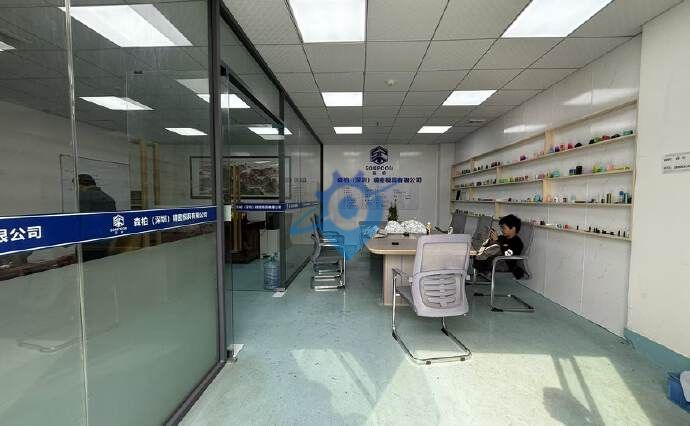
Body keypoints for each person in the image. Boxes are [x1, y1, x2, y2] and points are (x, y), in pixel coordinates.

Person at [473, 214, 525, 279]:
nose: (502, 230)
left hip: (505, 264)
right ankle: (482, 270)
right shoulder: (502, 238)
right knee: (478, 255)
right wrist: (489, 239)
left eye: (504, 228)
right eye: (501, 228)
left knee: (482, 259)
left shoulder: (517, 242)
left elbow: (507, 254)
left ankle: (483, 271)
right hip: (495, 260)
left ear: (513, 229)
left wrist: (496, 241)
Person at [78, 174, 116, 261]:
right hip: (105, 243)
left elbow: (81, 221)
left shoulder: (84, 197)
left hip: (88, 245)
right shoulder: (108, 198)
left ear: (80, 185)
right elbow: (112, 223)